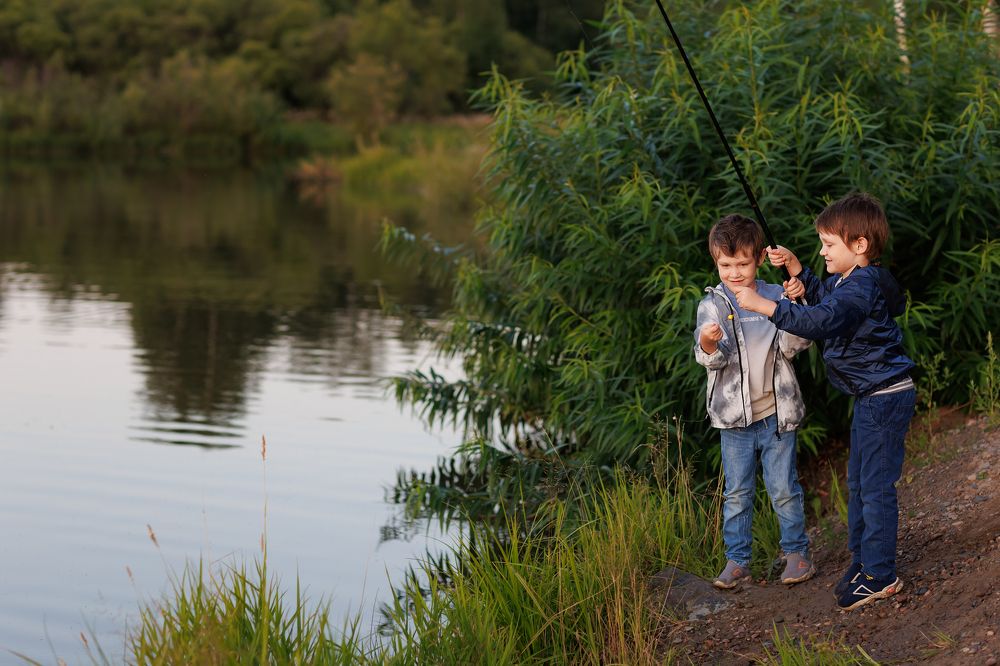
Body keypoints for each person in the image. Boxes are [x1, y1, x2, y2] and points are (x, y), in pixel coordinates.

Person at [732, 192, 916, 611]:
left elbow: (822, 320)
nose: (822, 250)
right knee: (858, 483)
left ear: (859, 246)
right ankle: (863, 561)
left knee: (875, 488)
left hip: (884, 398)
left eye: (829, 244)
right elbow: (824, 297)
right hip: (871, 398)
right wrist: (800, 272)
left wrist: (768, 306)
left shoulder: (862, 287)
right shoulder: (852, 281)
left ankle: (880, 574)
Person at [694, 213, 815, 590]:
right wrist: (709, 341)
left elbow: (798, 344)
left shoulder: (776, 295)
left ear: (759, 259)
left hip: (776, 414)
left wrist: (798, 304)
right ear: (716, 261)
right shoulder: (712, 305)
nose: (733, 272)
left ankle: (795, 554)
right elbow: (711, 359)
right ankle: (737, 560)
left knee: (783, 488)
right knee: (737, 492)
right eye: (725, 264)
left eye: (742, 264)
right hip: (734, 422)